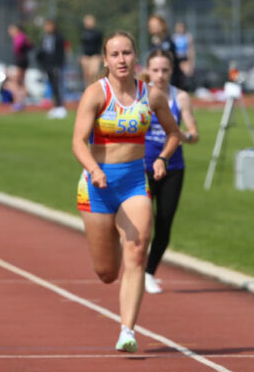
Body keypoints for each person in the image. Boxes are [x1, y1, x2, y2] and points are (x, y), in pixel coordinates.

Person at [72, 31, 181, 353]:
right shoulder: (96, 94)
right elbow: (78, 141)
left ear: (136, 58)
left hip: (135, 183)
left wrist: (162, 158)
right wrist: (94, 169)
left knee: (136, 252)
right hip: (97, 185)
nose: (121, 60)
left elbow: (174, 133)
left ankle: (127, 331)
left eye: (127, 53)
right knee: (107, 272)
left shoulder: (152, 95)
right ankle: (113, 252)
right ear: (105, 61)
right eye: (115, 54)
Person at [142, 50, 199, 294]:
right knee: (142, 222)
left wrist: (183, 135)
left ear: (172, 70)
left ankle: (148, 273)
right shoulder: (138, 95)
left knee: (164, 223)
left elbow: (193, 133)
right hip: (142, 166)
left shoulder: (181, 97)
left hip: (172, 167)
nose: (160, 75)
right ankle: (135, 267)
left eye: (165, 70)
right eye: (155, 70)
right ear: (147, 70)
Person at [37, 19, 67, 119]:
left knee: (58, 86)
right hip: (47, 65)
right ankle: (56, 106)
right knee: (52, 86)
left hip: (56, 65)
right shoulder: (45, 38)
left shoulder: (59, 37)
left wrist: (58, 65)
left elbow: (61, 53)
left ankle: (61, 107)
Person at [148, 15, 184, 89]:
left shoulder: (168, 42)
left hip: (172, 78)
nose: (152, 27)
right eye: (151, 25)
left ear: (162, 25)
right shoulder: (155, 42)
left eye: (155, 25)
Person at [7, 23, 32, 109]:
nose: (10, 32)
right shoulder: (24, 37)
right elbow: (30, 46)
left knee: (15, 82)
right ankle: (22, 102)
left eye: (11, 30)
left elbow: (18, 47)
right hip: (23, 61)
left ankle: (18, 102)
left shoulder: (19, 37)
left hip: (20, 61)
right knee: (21, 83)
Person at [79, 14, 103, 87]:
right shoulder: (83, 33)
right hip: (86, 56)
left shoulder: (98, 33)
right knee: (87, 75)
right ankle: (87, 89)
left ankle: (95, 88)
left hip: (95, 56)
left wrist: (100, 56)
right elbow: (82, 46)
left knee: (94, 73)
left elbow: (101, 44)